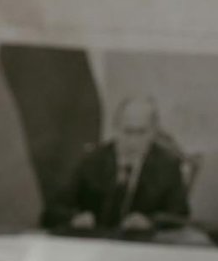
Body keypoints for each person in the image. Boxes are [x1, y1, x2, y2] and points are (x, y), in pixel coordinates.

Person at [47, 96, 190, 235]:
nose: (133, 141)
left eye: (141, 132)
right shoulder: (92, 161)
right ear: (115, 128)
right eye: (127, 131)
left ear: (153, 132)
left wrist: (150, 222)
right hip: (96, 247)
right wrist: (75, 219)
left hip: (144, 250)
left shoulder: (167, 166)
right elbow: (53, 211)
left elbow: (179, 216)